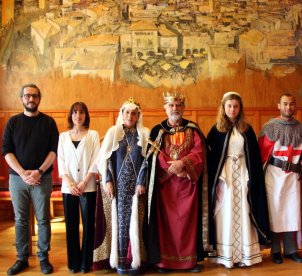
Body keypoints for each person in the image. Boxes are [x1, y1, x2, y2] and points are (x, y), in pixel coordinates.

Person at [143, 92, 209, 273]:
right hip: (165, 187)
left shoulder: (193, 129)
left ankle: (189, 262)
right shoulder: (157, 130)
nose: (175, 108)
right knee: (166, 226)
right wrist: (170, 168)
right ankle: (164, 263)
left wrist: (183, 165)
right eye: (171, 105)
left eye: (178, 105)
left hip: (188, 184)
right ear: (165, 108)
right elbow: (153, 155)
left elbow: (199, 152)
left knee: (187, 225)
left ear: (184, 108)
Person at [206, 92, 269, 268]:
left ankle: (244, 254)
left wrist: (252, 179)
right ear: (223, 108)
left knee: (244, 209)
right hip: (224, 177)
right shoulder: (216, 130)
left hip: (242, 174)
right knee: (225, 212)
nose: (232, 109)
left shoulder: (246, 129)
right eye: (229, 106)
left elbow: (254, 158)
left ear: (240, 108)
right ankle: (226, 255)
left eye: (236, 106)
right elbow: (210, 157)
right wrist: (217, 178)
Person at [2, 83, 59, 275]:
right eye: (27, 96)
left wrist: (39, 172)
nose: (31, 99)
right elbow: (6, 152)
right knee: (20, 220)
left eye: (34, 96)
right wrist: (22, 173)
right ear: (21, 99)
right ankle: (22, 259)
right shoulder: (12, 122)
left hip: (42, 178)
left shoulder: (49, 123)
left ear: (39, 98)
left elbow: (53, 151)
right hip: (18, 180)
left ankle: (44, 258)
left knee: (43, 220)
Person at [258, 93, 302, 264]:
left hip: (294, 177)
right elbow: (262, 154)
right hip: (274, 176)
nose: (288, 107)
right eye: (285, 104)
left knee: (292, 213)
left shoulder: (301, 128)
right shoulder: (270, 127)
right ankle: (275, 250)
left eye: (291, 104)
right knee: (275, 213)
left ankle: (291, 250)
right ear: (279, 106)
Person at [93, 97, 149, 274]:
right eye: (127, 112)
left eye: (134, 113)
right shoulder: (113, 133)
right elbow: (105, 159)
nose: (130, 116)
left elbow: (148, 160)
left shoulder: (145, 133)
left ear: (138, 115)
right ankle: (121, 261)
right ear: (122, 114)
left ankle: (136, 260)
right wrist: (107, 180)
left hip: (138, 189)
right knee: (120, 223)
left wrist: (142, 181)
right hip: (118, 188)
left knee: (137, 223)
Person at [57, 102, 100, 273]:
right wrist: (70, 183)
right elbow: (61, 162)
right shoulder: (63, 137)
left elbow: (96, 160)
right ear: (71, 115)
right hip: (69, 188)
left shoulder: (93, 135)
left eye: (81, 112)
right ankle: (74, 263)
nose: (78, 116)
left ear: (86, 115)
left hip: (87, 186)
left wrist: (83, 182)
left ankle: (86, 263)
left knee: (89, 225)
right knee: (71, 226)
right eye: (75, 112)